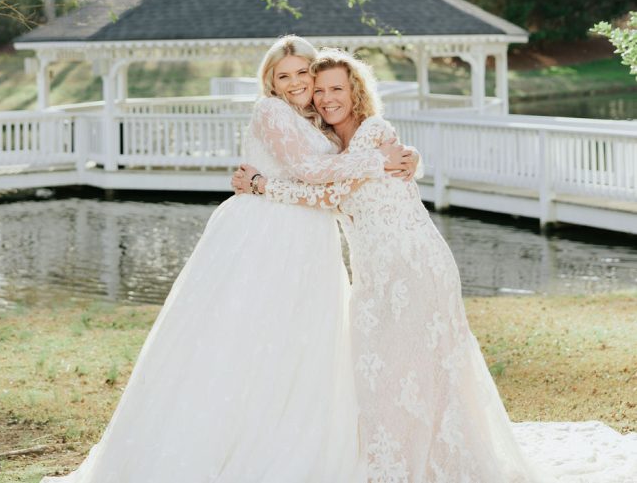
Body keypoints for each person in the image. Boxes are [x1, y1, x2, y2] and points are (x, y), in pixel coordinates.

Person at [235, 49, 637, 483]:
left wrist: (262, 184)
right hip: (373, 277)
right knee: (382, 373)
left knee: (425, 369)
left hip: (415, 266)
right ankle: (391, 460)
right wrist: (269, 183)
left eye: (337, 88)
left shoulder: (376, 134)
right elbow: (328, 189)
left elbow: (328, 194)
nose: (327, 97)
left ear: (355, 93)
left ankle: (433, 462)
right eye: (320, 90)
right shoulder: (335, 149)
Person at [41, 35, 416, 483]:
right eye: (285, 75)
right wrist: (378, 162)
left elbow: (340, 171)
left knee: (300, 342)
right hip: (269, 234)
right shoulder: (271, 111)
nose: (297, 83)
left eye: (303, 74)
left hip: (310, 237)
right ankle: (228, 444)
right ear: (270, 81)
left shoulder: (316, 120)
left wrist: (410, 158)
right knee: (248, 336)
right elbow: (311, 172)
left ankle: (287, 436)